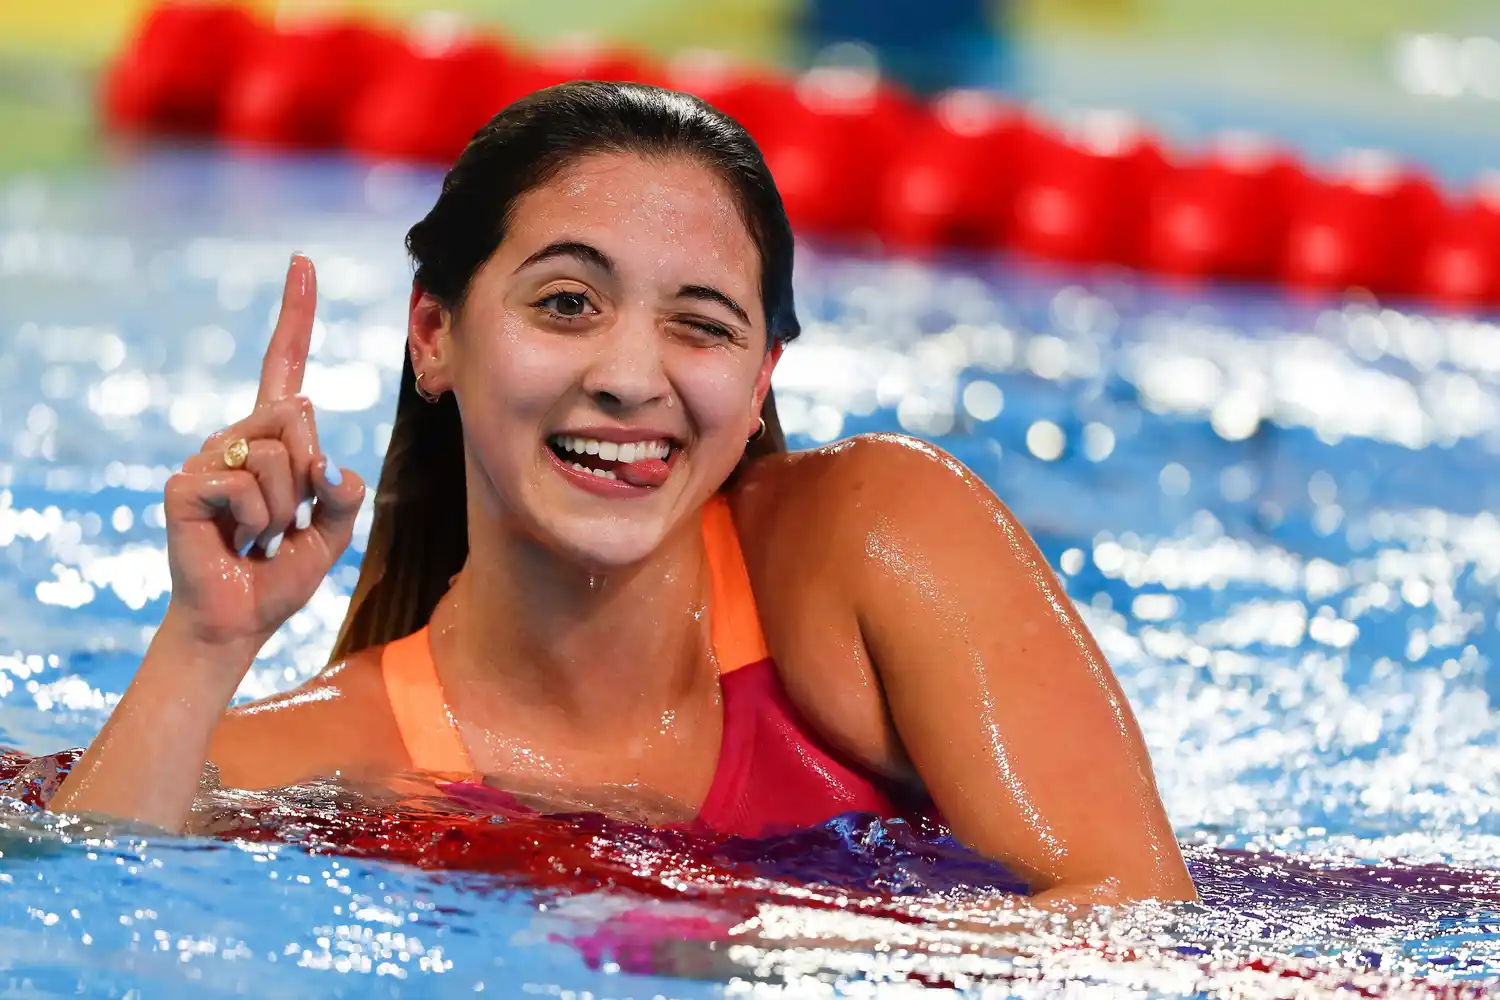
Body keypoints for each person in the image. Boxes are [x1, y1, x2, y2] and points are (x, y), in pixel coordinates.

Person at [52, 82, 1194, 906]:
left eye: (700, 326)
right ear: (435, 336)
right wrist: (204, 641)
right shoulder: (338, 753)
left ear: (758, 387)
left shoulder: (877, 537)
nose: (631, 378)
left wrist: (749, 953)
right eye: (565, 304)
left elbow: (1134, 921)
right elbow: (86, 903)